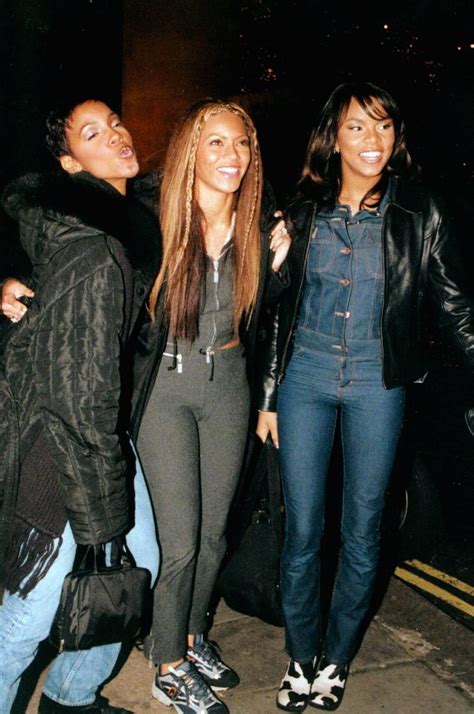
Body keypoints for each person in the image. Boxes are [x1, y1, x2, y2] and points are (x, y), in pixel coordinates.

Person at [256, 81, 474, 712]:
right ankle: (301, 655)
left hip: (379, 383)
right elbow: (274, 312)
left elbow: (455, 304)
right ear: (334, 137)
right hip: (305, 379)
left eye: (383, 125)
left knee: (363, 526)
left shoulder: (420, 209)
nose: (372, 139)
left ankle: (336, 658)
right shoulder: (301, 210)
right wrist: (268, 395)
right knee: (302, 527)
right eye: (357, 126)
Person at [0, 98, 160, 714]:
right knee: (30, 615)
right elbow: (77, 392)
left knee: (139, 564)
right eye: (93, 134)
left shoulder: (114, 226)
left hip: (97, 431)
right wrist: (99, 520)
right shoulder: (94, 248)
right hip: (62, 447)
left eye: (115, 122)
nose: (116, 134)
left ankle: (71, 696)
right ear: (70, 163)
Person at [130, 98, 290, 714]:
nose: (232, 155)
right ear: (191, 150)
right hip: (166, 389)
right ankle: (167, 662)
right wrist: (13, 280)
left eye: (242, 142)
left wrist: (281, 261)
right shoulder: (152, 216)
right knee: (181, 542)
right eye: (216, 142)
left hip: (228, 385)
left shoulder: (259, 226)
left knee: (215, 535)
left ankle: (192, 636)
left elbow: (271, 314)